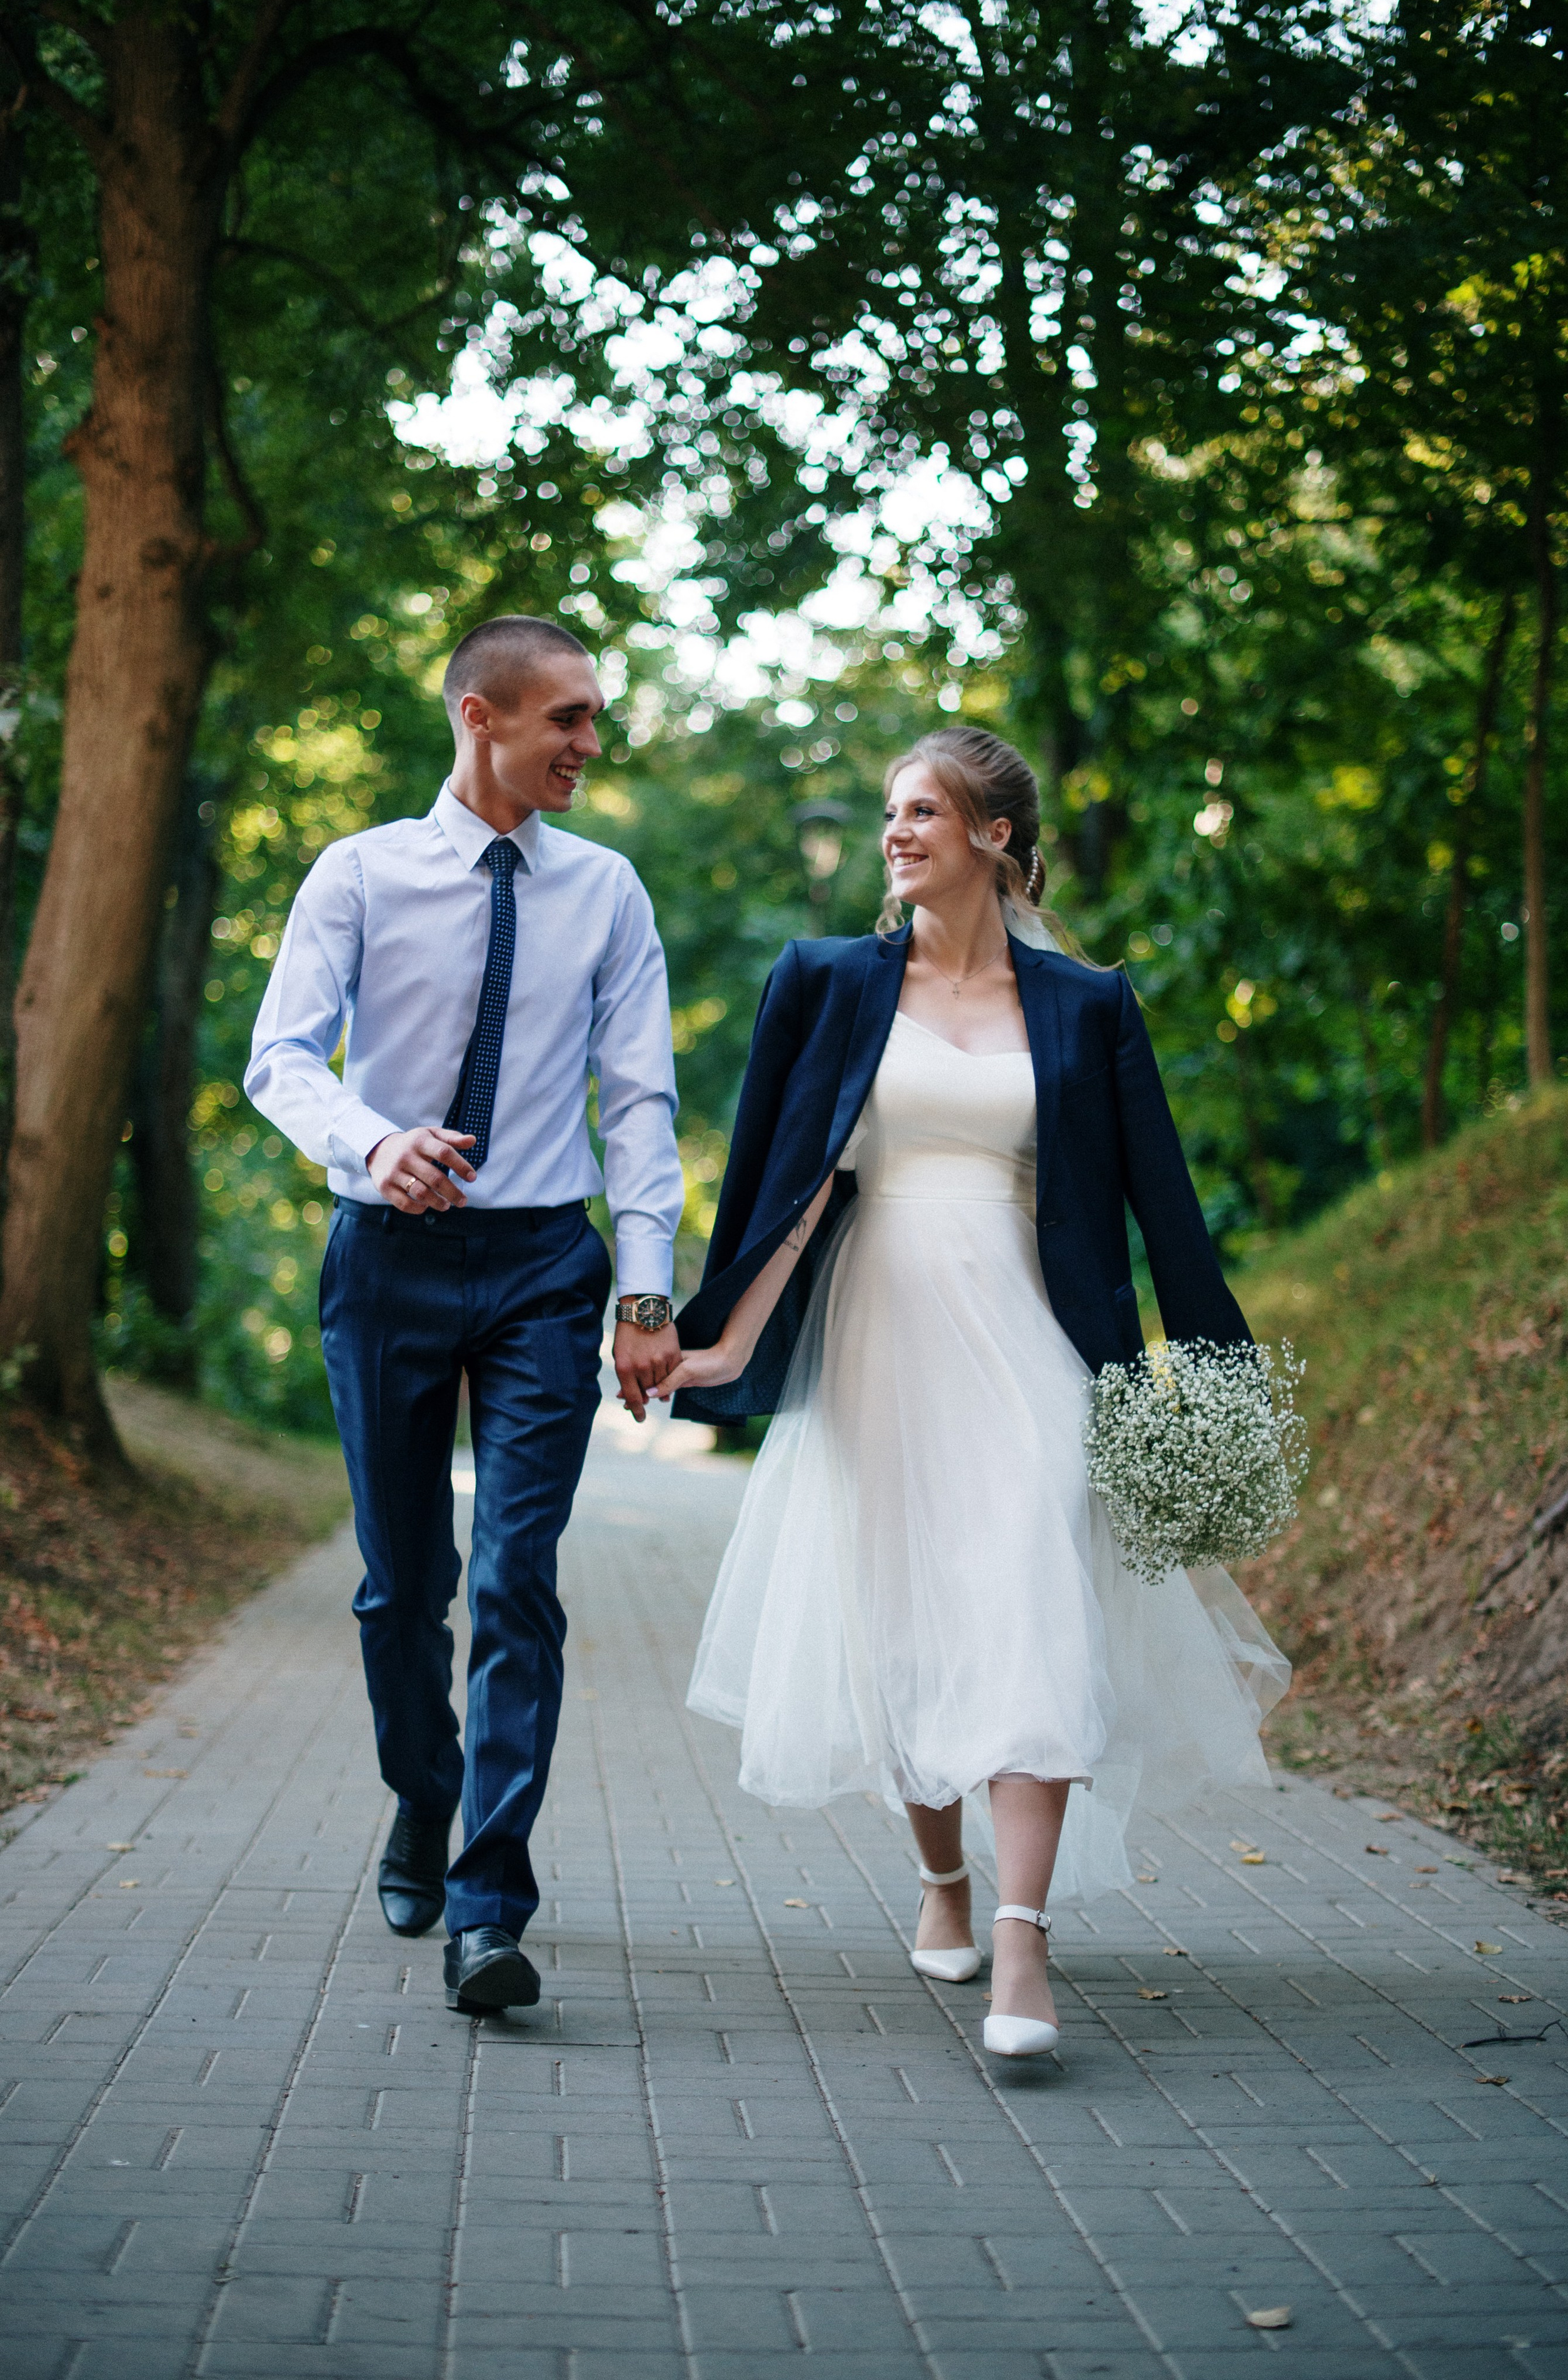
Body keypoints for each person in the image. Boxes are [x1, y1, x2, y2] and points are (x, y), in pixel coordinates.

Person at [654, 728, 1288, 2059]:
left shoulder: (1086, 1005)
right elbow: (784, 1189)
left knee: (1027, 1598)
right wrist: (714, 1346)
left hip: (1032, 1341)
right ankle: (940, 1879)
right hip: (875, 1336)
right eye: (889, 811)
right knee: (905, 1624)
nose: (896, 832)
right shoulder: (822, 984)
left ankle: (1019, 1943)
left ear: (993, 837)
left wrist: (1217, 1390)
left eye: (923, 810)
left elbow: (1157, 1206)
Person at [244, 616, 683, 2013]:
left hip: (543, 1269)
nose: (589, 746)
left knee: (513, 1582)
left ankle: (490, 1902)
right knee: (400, 1587)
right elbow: (278, 1057)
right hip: (384, 1260)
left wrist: (643, 1286)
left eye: (594, 720)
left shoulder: (607, 891)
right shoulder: (360, 872)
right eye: (566, 719)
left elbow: (640, 1098)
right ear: (481, 716)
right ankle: (421, 1798)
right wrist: (376, 1143)